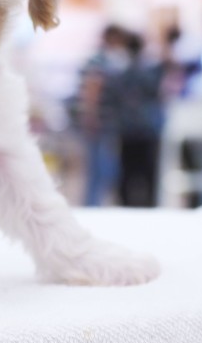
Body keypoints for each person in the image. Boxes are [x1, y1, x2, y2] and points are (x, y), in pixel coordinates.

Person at [70, 24, 129, 206]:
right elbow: (92, 90)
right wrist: (91, 117)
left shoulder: (100, 59)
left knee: (98, 168)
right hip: (97, 123)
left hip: (98, 122)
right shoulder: (100, 60)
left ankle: (94, 204)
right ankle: (93, 205)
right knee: (99, 168)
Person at [116, 32, 165, 207]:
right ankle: (149, 205)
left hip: (128, 129)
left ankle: (126, 206)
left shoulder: (121, 73)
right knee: (148, 173)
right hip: (146, 129)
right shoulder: (150, 71)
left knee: (127, 173)